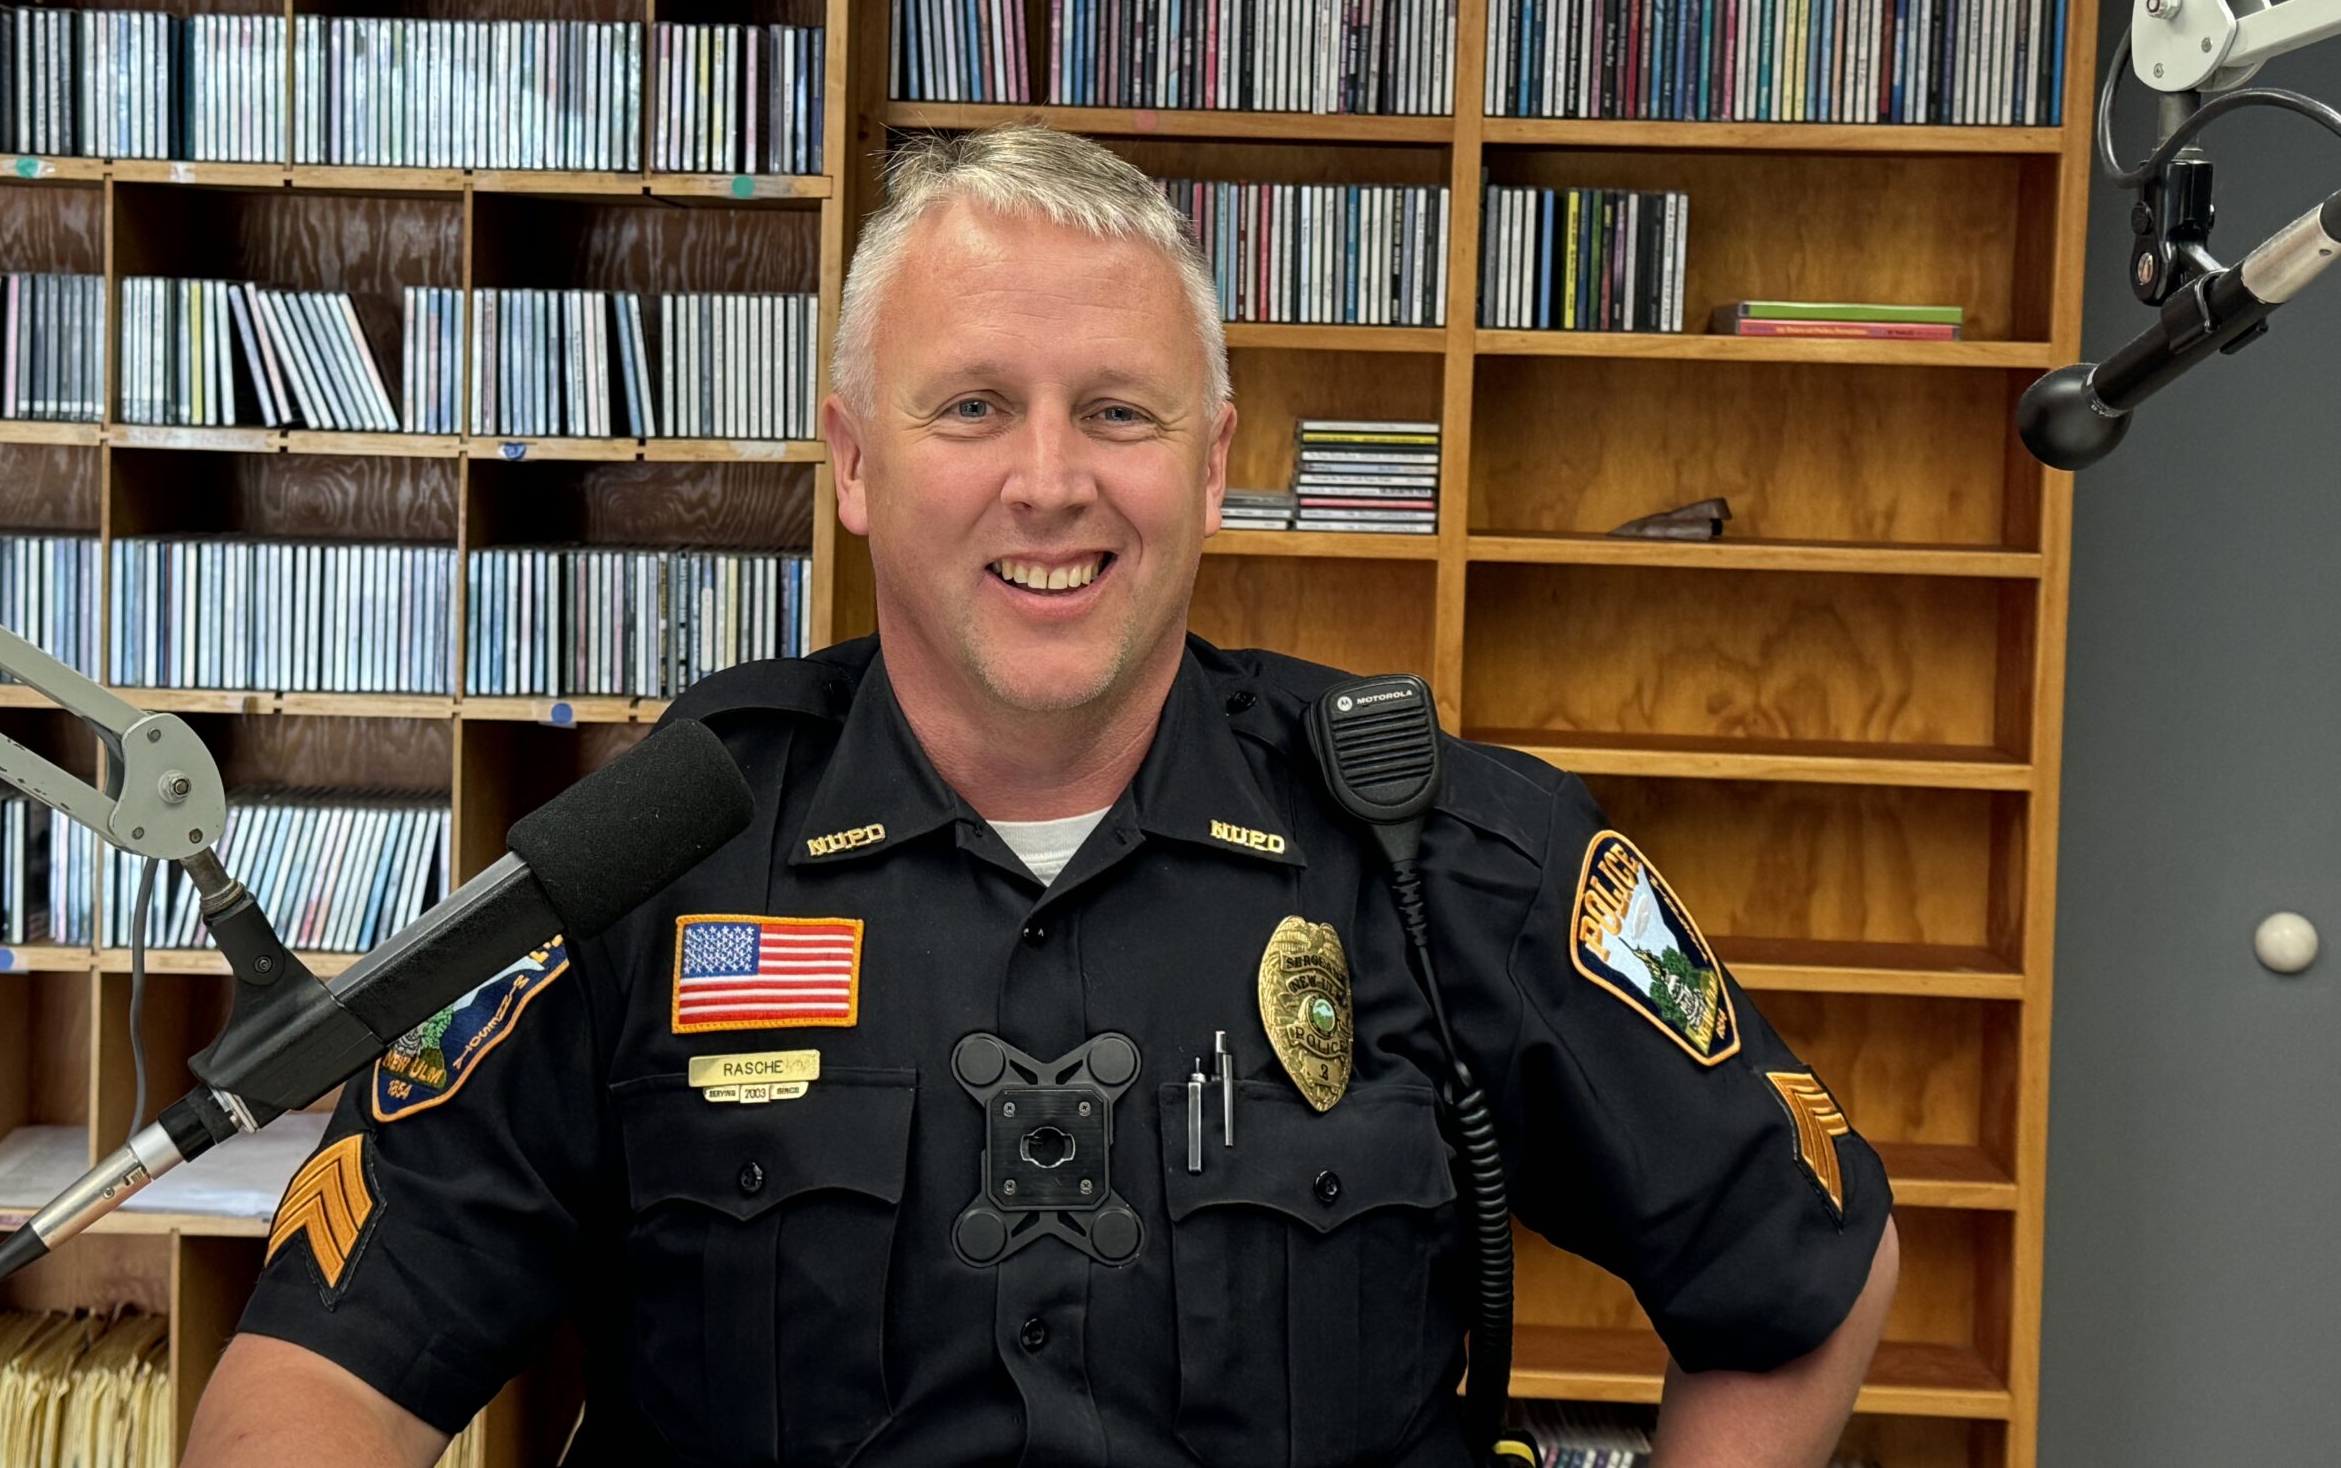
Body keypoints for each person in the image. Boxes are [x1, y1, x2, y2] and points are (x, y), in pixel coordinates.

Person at [186, 126, 1899, 1468]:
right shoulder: (649, 866)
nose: (1051, 481)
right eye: (974, 407)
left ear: (1213, 466)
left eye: (1119, 412)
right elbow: (319, 1376)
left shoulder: (1450, 858)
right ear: (856, 463)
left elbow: (1807, 1272)